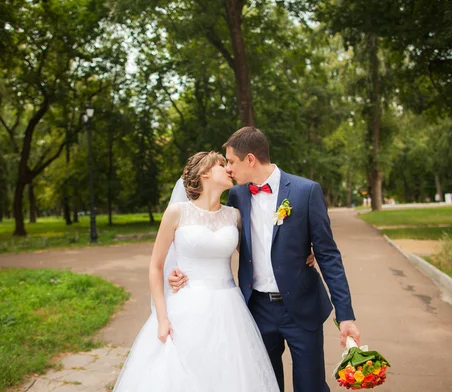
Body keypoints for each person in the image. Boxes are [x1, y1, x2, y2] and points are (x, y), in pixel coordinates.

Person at [170, 127, 360, 392]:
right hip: (256, 310)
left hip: (302, 308)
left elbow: (329, 256)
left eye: (232, 162)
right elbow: (215, 239)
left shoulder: (306, 192)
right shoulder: (237, 195)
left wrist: (346, 315)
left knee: (311, 387)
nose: (228, 170)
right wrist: (183, 271)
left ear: (250, 159)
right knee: (264, 385)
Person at [113, 151, 280, 391]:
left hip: (229, 309)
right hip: (187, 306)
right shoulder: (176, 213)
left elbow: (258, 256)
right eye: (222, 165)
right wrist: (162, 318)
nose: (229, 169)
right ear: (205, 173)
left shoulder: (234, 216)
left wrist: (306, 251)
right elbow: (156, 266)